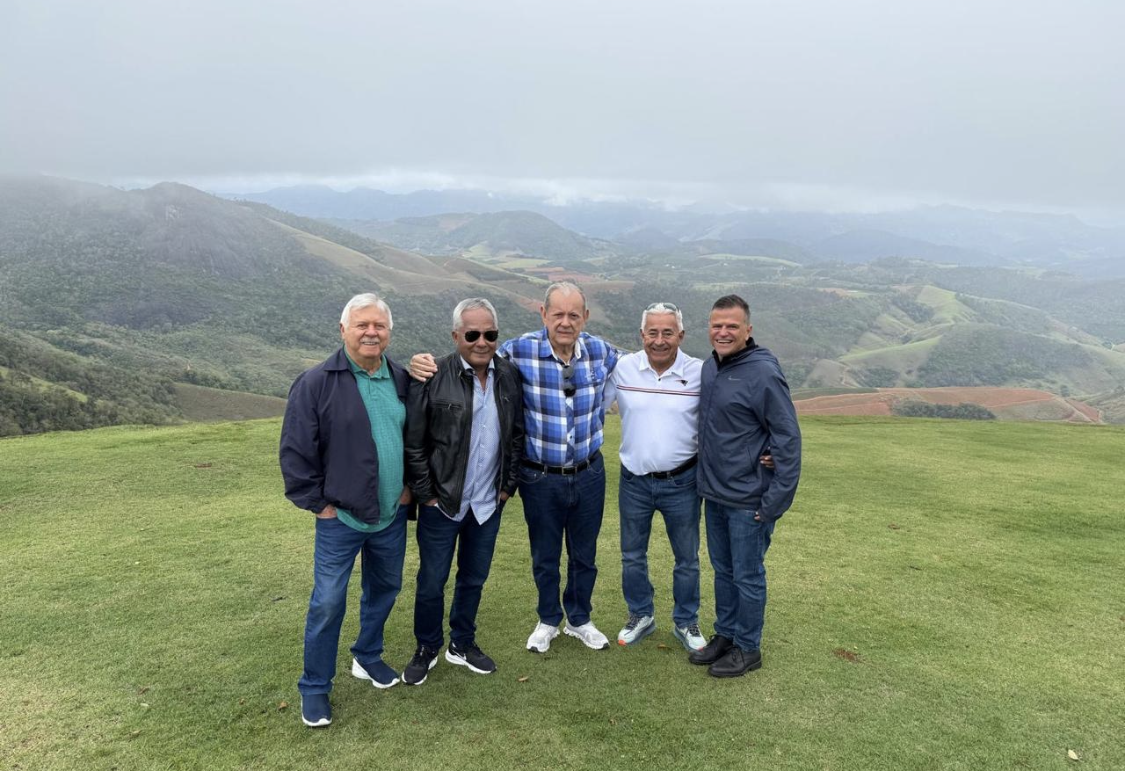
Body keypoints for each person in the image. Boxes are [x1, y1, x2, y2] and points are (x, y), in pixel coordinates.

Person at [411, 282, 619, 653]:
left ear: (586, 317)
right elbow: (471, 358)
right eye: (558, 314)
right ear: (544, 314)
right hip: (540, 476)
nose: (566, 322)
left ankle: (579, 619)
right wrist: (419, 364)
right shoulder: (517, 351)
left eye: (574, 315)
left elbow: (647, 364)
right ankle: (548, 619)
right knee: (545, 556)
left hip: (589, 472)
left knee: (584, 555)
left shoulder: (603, 352)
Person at [605, 303, 775, 652]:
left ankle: (685, 621)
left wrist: (767, 443)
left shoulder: (701, 372)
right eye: (653, 332)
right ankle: (641, 614)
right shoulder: (623, 368)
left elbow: (734, 410)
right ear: (641, 335)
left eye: (668, 332)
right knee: (632, 555)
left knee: (687, 559)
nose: (660, 340)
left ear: (681, 335)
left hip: (682, 481)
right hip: (634, 481)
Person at [280, 293, 413, 727]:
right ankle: (315, 687)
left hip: (390, 515)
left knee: (385, 588)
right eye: (362, 325)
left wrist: (408, 488)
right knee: (328, 602)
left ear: (389, 332)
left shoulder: (401, 378)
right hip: (340, 517)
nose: (371, 332)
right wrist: (319, 505)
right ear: (343, 330)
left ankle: (367, 655)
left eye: (379, 325)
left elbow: (415, 438)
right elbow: (296, 450)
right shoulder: (316, 382)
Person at [401, 298, 524, 685]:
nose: (481, 342)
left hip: (487, 504)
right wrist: (427, 496)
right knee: (431, 581)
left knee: (473, 578)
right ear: (456, 336)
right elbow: (414, 444)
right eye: (472, 334)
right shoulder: (433, 376)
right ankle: (427, 646)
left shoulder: (509, 375)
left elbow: (516, 435)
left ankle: (462, 642)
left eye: (490, 334)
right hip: (442, 504)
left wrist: (507, 488)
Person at [690, 294, 801, 678]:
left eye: (732, 326)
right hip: (715, 494)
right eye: (717, 325)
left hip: (749, 500)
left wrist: (775, 502)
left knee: (748, 576)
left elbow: (787, 438)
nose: (723, 332)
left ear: (748, 330)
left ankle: (748, 648)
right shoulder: (711, 367)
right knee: (723, 571)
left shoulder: (763, 373)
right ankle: (726, 634)